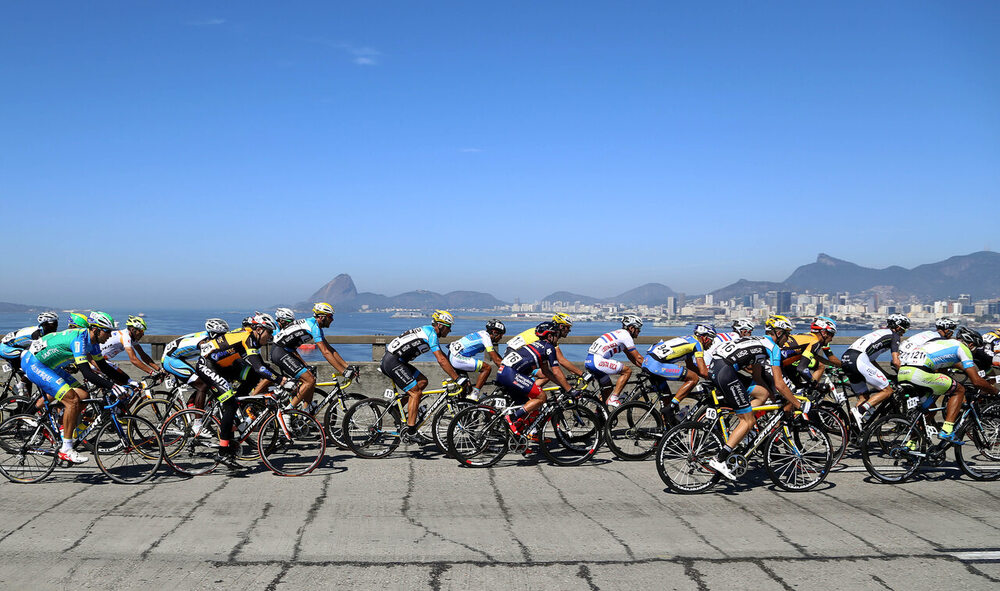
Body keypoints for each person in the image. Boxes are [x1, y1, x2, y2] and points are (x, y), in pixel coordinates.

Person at [20, 311, 134, 464]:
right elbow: (87, 373)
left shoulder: (93, 342)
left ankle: (62, 425)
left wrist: (128, 381)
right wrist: (113, 386)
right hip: (35, 364)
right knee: (72, 400)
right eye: (107, 331)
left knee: (83, 394)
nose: (109, 335)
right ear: (95, 330)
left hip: (51, 366)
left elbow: (103, 367)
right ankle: (66, 449)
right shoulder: (79, 340)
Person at [706, 315, 808, 480]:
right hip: (725, 372)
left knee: (762, 393)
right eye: (787, 334)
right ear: (779, 333)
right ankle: (720, 458)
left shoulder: (758, 342)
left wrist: (774, 398)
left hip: (718, 367)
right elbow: (780, 383)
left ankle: (742, 430)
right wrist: (797, 404)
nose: (788, 339)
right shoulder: (773, 348)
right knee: (748, 421)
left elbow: (757, 376)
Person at [196, 313, 287, 468]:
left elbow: (259, 367)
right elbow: (260, 368)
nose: (271, 336)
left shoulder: (251, 338)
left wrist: (278, 377)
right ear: (259, 330)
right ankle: (222, 452)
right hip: (208, 365)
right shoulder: (248, 339)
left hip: (224, 366)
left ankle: (236, 408)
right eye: (269, 332)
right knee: (230, 404)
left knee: (252, 376)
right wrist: (280, 380)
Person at [897, 327, 998, 442]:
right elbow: (976, 381)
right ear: (970, 344)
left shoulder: (944, 343)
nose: (974, 352)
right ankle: (947, 430)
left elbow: (944, 369)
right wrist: (996, 392)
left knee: (930, 409)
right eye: (975, 348)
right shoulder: (963, 348)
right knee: (959, 390)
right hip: (919, 373)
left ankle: (911, 444)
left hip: (903, 373)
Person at [380, 310, 464, 440]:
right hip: (393, 362)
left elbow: (442, 357)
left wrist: (455, 372)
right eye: (448, 327)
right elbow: (441, 360)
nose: (450, 330)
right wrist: (457, 378)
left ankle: (397, 409)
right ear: (440, 325)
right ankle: (411, 431)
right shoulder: (431, 334)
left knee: (422, 382)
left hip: (397, 361)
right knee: (415, 393)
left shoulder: (429, 331)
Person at [272, 302, 358, 414]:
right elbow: (325, 353)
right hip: (280, 352)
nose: (332, 319)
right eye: (330, 316)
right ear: (322, 317)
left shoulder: (315, 326)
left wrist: (347, 367)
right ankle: (287, 413)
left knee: (311, 377)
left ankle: (305, 410)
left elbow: (330, 349)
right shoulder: (314, 327)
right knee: (309, 380)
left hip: (286, 351)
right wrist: (343, 371)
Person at [497, 321, 576, 435]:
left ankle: (518, 435)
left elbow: (546, 372)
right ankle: (511, 418)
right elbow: (556, 371)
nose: (558, 338)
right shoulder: (549, 348)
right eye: (556, 335)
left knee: (528, 405)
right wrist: (570, 389)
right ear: (550, 336)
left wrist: (562, 384)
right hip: (511, 373)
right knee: (541, 397)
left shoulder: (537, 345)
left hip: (504, 371)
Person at [843, 314, 910, 427]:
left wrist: (886, 374)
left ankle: (854, 431)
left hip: (847, 359)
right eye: (904, 329)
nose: (904, 333)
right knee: (887, 391)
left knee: (863, 398)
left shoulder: (879, 333)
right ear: (898, 327)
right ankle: (859, 411)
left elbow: (871, 361)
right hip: (859, 359)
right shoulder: (894, 336)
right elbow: (896, 361)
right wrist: (905, 376)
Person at [644, 324, 715, 416]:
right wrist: (715, 378)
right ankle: (672, 406)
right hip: (656, 365)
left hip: (647, 361)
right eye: (711, 340)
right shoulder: (698, 344)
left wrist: (706, 376)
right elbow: (703, 371)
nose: (711, 343)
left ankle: (666, 422)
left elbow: (690, 366)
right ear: (705, 338)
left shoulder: (689, 339)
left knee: (667, 399)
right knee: (694, 378)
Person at [161, 318, 229, 411]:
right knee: (202, 385)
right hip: (170, 360)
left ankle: (191, 405)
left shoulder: (207, 336)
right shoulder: (203, 342)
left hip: (178, 357)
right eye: (221, 335)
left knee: (206, 379)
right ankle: (198, 418)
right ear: (213, 334)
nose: (223, 337)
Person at [584, 315, 646, 407]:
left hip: (590, 360)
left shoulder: (619, 334)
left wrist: (644, 368)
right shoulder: (626, 336)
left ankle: (599, 412)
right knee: (627, 371)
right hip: (597, 361)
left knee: (608, 388)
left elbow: (632, 358)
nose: (639, 332)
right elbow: (639, 358)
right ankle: (614, 399)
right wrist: (652, 368)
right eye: (638, 329)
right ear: (631, 328)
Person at [505, 313, 585, 381]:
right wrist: (583, 374)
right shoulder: (549, 336)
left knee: (545, 373)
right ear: (561, 326)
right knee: (546, 375)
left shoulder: (543, 330)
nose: (569, 330)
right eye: (568, 327)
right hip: (516, 357)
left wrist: (573, 371)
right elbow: (561, 360)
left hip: (512, 354)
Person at [0, 312, 59, 396]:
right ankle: (19, 386)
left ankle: (26, 400)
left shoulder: (44, 331)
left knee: (28, 375)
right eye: (53, 324)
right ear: (44, 324)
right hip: (6, 348)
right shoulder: (37, 333)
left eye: (56, 323)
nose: (56, 326)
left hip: (17, 347)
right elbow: (38, 352)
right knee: (31, 360)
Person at [447, 319, 506, 400]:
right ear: (494, 332)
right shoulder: (486, 338)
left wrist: (505, 362)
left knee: (467, 387)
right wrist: (507, 371)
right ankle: (475, 395)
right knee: (486, 368)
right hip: (456, 358)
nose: (501, 338)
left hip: (452, 354)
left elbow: (495, 355)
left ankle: (462, 403)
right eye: (501, 335)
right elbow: (496, 360)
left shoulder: (483, 333)